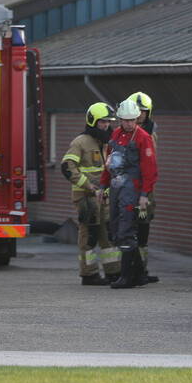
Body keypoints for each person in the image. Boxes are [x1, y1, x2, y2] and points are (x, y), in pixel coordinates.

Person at [100, 99, 158, 289]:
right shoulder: (116, 135)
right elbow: (109, 163)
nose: (130, 123)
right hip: (117, 187)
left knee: (126, 229)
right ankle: (139, 274)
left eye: (132, 120)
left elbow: (150, 169)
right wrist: (103, 186)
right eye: (126, 120)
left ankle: (126, 277)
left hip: (132, 188)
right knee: (115, 228)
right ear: (120, 120)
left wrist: (144, 194)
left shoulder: (143, 137)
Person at [61, 102, 121, 285]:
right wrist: (87, 185)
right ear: (92, 121)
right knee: (89, 236)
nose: (106, 125)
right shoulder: (80, 142)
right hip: (86, 198)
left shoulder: (108, 142)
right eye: (102, 122)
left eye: (108, 122)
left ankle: (113, 272)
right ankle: (89, 274)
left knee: (108, 235)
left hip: (105, 197)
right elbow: (67, 167)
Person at [127, 91, 159, 284]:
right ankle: (127, 270)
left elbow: (151, 164)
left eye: (143, 112)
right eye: (136, 111)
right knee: (126, 228)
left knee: (143, 229)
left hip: (145, 189)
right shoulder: (123, 134)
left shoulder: (150, 135)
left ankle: (142, 270)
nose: (139, 115)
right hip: (128, 188)